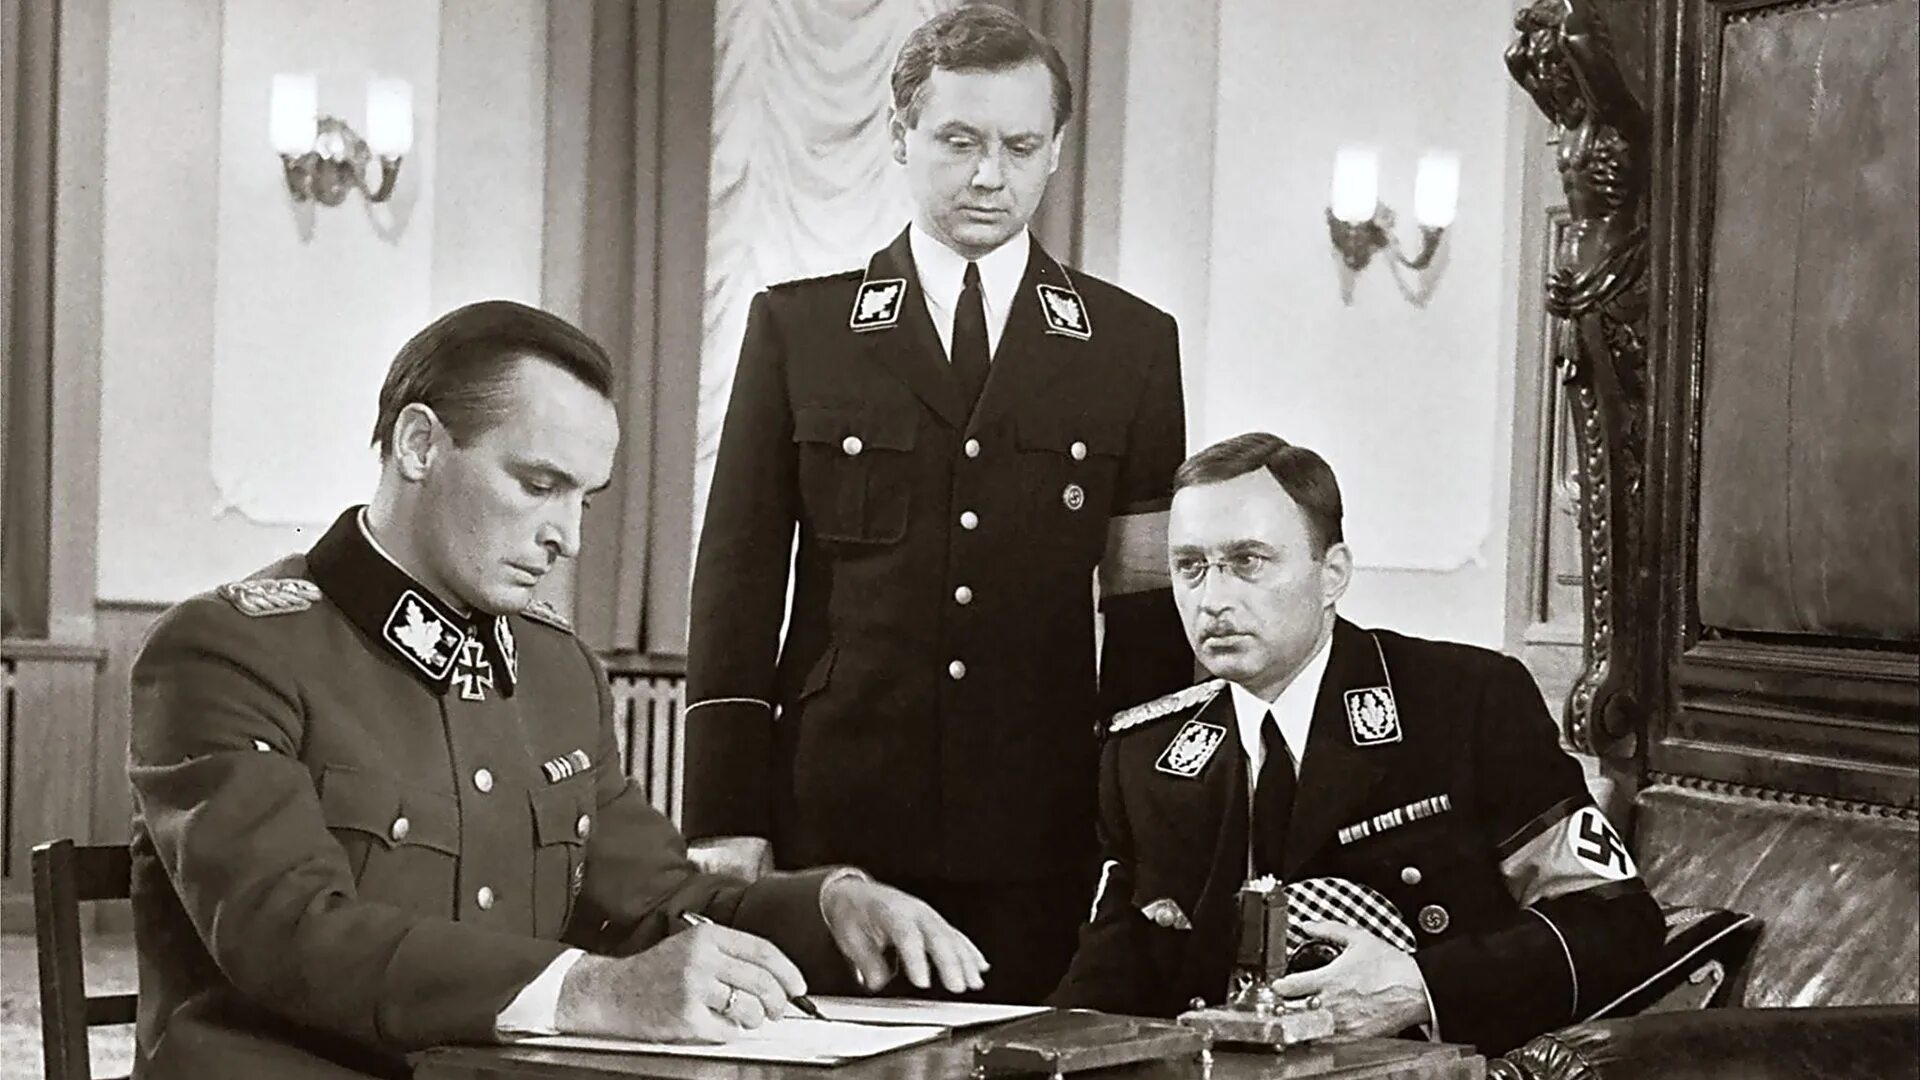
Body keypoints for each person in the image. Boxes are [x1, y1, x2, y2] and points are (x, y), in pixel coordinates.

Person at [127, 301, 985, 1080]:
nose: (567, 538)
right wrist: (588, 991)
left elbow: (657, 901)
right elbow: (288, 930)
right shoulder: (232, 650)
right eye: (538, 486)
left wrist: (829, 907)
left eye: (584, 501)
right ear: (419, 445)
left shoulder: (553, 669)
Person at [681, 3, 1193, 1004]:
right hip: (836, 826)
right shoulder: (799, 331)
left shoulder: (1132, 347)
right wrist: (724, 817)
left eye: (1020, 146)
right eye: (959, 141)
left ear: (1056, 151)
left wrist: (1146, 833)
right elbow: (737, 583)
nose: (989, 175)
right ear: (900, 136)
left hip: (1042, 828)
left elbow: (1144, 619)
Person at [1049, 433, 1666, 1054]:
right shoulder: (1146, 756)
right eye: (1191, 567)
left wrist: (1423, 986)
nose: (1213, 600)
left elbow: (1618, 926)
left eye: (1248, 561)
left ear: (1333, 575)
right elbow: (1103, 986)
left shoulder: (1465, 705)